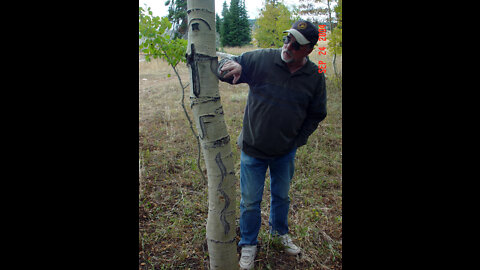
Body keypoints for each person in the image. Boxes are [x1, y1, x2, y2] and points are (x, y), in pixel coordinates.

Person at [217, 20, 327, 270]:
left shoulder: (316, 75)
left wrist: (298, 140)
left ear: (309, 49)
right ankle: (248, 244)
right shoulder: (262, 59)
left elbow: (317, 113)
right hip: (253, 149)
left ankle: (279, 233)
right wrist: (226, 66)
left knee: (281, 196)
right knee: (250, 201)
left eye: (296, 43)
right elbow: (228, 63)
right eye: (287, 38)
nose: (287, 46)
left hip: (285, 152)